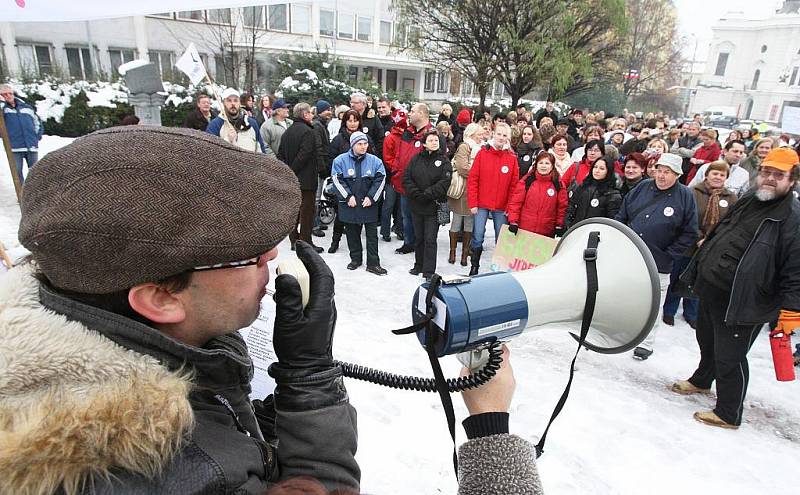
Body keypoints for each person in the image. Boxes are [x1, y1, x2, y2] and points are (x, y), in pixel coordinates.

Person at [3, 126, 360, 494]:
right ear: (160, 299)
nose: (270, 256)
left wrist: (244, 418)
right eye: (249, 254)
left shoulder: (71, 312)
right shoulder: (185, 474)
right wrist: (310, 379)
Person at [674, 148, 800, 429]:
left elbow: (795, 269)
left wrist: (792, 310)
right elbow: (723, 231)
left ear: (792, 180)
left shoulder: (792, 218)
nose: (769, 178)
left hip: (746, 299)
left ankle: (729, 412)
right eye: (766, 172)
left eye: (778, 175)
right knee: (707, 340)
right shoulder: (750, 199)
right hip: (714, 287)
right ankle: (702, 380)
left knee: (730, 356)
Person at [615, 153, 698, 360]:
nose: (661, 175)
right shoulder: (642, 187)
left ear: (677, 175)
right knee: (622, 297)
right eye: (659, 170)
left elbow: (690, 232)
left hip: (658, 263)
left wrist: (669, 255)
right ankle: (619, 333)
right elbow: (622, 214)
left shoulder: (685, 196)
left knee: (653, 304)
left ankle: (646, 343)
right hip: (629, 257)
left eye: (667, 172)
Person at [663, 161, 738, 329]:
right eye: (715, 173)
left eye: (722, 175)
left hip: (712, 248)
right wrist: (698, 237)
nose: (718, 177)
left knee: (699, 281)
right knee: (678, 277)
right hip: (688, 245)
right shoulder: (693, 192)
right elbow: (686, 217)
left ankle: (691, 313)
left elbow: (731, 223)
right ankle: (669, 310)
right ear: (707, 174)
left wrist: (712, 240)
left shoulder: (730, 198)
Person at [331, 132, 387, 275]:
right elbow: (337, 180)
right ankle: (355, 259)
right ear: (352, 145)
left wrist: (372, 197)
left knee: (372, 235)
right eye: (359, 144)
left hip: (368, 204)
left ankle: (373, 263)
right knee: (351, 233)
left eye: (365, 144)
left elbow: (380, 180)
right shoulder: (340, 161)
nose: (363, 147)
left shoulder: (375, 161)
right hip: (350, 204)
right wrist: (348, 196)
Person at [467, 123, 518, 275]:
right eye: (499, 134)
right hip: (481, 203)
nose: (501, 138)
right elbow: (473, 179)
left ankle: (499, 269)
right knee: (477, 236)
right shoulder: (483, 153)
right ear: (493, 134)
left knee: (501, 238)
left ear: (508, 138)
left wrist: (510, 207)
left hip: (501, 206)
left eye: (504, 135)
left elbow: (514, 186)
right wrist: (473, 203)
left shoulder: (511, 158)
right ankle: (474, 266)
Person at [403, 130, 452, 279]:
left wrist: (428, 194)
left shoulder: (444, 161)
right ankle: (418, 265)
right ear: (424, 144)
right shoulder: (415, 159)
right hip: (417, 205)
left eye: (436, 140)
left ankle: (429, 270)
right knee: (419, 238)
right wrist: (417, 194)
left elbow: (445, 182)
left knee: (430, 239)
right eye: (430, 140)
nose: (434, 142)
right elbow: (407, 178)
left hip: (433, 206)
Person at [278, 103, 324, 253]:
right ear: (304, 115)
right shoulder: (308, 132)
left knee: (295, 212)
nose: (312, 115)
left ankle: (294, 240)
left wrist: (288, 171)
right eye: (310, 113)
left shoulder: (287, 132)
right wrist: (292, 170)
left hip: (292, 179)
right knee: (307, 213)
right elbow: (305, 154)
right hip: (306, 179)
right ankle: (305, 242)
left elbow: (280, 155)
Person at [391, 103, 437, 255]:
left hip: (421, 188)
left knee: (421, 218)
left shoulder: (432, 135)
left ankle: (420, 246)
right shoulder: (407, 132)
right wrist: (396, 171)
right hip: (405, 183)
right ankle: (408, 242)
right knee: (406, 217)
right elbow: (399, 154)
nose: (409, 114)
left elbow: (436, 161)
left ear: (423, 114)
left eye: (412, 111)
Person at [506, 151, 568, 238]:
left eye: (547, 163)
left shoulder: (558, 184)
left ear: (552, 166)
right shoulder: (527, 181)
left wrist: (559, 224)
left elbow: (562, 207)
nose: (543, 166)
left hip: (546, 231)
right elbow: (516, 203)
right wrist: (513, 221)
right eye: (541, 163)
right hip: (525, 229)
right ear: (536, 165)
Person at [448, 123, 482, 266]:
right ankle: (453, 252)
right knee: (457, 221)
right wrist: (479, 173)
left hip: (473, 189)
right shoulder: (465, 146)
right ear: (472, 134)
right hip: (462, 189)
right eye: (479, 134)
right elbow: (462, 168)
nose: (482, 137)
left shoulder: (479, 148)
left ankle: (464, 253)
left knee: (469, 222)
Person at [0, 83, 43, 185]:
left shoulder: (26, 107)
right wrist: (2, 103)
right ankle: (21, 194)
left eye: (10, 93)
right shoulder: (3, 110)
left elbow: (37, 122)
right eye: (4, 94)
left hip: (31, 145)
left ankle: (35, 193)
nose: (8, 96)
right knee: (17, 172)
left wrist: (36, 136)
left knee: (35, 172)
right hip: (14, 147)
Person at [564, 156, 622, 229]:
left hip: (595, 235)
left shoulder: (612, 195)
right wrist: (568, 225)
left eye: (602, 168)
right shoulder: (583, 187)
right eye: (595, 167)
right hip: (576, 231)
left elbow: (612, 222)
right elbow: (571, 207)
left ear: (608, 171)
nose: (597, 170)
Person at [206, 88, 269, 154]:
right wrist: (226, 140)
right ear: (224, 103)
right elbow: (210, 153)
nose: (233, 103)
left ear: (239, 103)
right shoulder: (215, 125)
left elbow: (261, 150)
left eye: (235, 100)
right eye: (229, 100)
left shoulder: (252, 123)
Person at [381, 108, 408, 243]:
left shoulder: (407, 137)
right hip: (393, 176)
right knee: (389, 204)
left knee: (400, 206)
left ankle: (400, 229)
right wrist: (398, 169)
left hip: (404, 176)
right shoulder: (390, 138)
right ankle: (385, 230)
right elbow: (388, 158)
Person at [350, 92, 384, 158]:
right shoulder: (348, 117)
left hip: (369, 156)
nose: (352, 105)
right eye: (351, 102)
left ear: (364, 104)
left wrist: (375, 153)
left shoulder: (373, 118)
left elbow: (380, 138)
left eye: (355, 103)